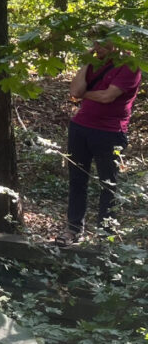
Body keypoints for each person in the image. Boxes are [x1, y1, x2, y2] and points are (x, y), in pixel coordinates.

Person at [57, 24, 142, 244]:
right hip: (80, 128)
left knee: (108, 185)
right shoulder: (94, 63)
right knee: (77, 181)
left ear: (118, 41)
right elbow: (75, 91)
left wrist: (84, 93)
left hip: (110, 133)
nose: (97, 46)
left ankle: (106, 235)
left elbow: (107, 96)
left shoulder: (130, 65)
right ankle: (73, 229)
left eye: (102, 41)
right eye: (95, 41)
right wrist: (87, 61)